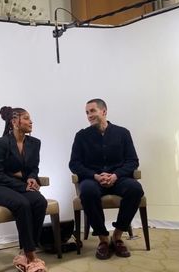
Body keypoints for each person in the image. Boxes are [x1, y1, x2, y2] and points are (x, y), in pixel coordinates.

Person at [69, 98, 144, 260]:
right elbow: (74, 163)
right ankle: (103, 239)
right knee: (87, 191)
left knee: (135, 189)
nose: (89, 115)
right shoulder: (81, 136)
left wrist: (116, 175)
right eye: (87, 113)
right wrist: (95, 175)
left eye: (92, 111)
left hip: (118, 178)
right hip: (93, 179)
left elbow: (132, 161)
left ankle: (117, 236)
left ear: (104, 111)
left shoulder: (123, 133)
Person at [0, 106, 47, 272]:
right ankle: (32, 257)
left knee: (40, 201)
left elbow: (33, 168)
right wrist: (23, 183)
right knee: (22, 204)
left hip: (20, 185)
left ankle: (24, 253)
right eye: (26, 118)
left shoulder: (35, 143)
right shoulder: (1, 142)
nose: (31, 121)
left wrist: (32, 178)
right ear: (14, 122)